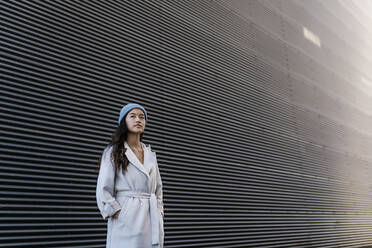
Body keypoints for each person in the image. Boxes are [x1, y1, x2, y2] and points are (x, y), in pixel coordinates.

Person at [96, 103, 164, 248]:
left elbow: (158, 189)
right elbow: (103, 188)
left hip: (150, 216)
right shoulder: (113, 151)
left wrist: (159, 211)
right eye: (132, 116)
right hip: (126, 218)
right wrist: (118, 213)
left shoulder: (150, 154)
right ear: (123, 122)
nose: (138, 120)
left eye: (141, 117)